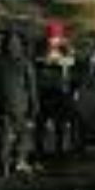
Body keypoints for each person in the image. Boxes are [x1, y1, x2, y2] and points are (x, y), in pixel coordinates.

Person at [0, 24, 38, 175]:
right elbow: (31, 88)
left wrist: (34, 109)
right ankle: (12, 164)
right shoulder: (5, 63)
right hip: (14, 106)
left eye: (14, 42)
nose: (12, 45)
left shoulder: (2, 63)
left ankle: (12, 164)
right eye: (11, 42)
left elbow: (31, 88)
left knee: (15, 137)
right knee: (14, 137)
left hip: (15, 106)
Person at [35, 20, 78, 159]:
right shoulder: (39, 46)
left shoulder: (67, 47)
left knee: (60, 122)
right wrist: (44, 60)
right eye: (51, 37)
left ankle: (60, 150)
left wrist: (57, 61)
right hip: (44, 90)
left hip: (61, 91)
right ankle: (39, 150)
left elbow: (72, 61)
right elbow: (34, 61)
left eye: (56, 37)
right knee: (41, 122)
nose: (53, 40)